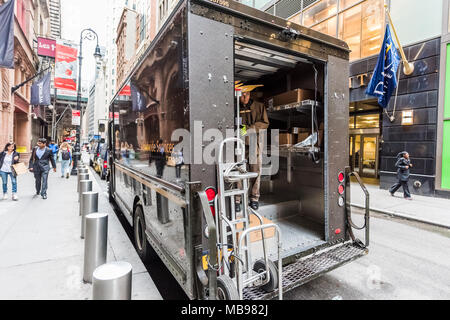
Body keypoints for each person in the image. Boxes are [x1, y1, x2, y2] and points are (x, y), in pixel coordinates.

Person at [236, 88, 269, 211]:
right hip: (240, 144)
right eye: (242, 94)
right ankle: (237, 199)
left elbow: (265, 123)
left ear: (250, 94)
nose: (244, 96)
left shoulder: (259, 106)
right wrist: (242, 131)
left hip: (255, 143)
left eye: (246, 94)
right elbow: (237, 126)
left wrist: (249, 129)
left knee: (255, 171)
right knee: (238, 171)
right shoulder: (236, 108)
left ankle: (254, 198)